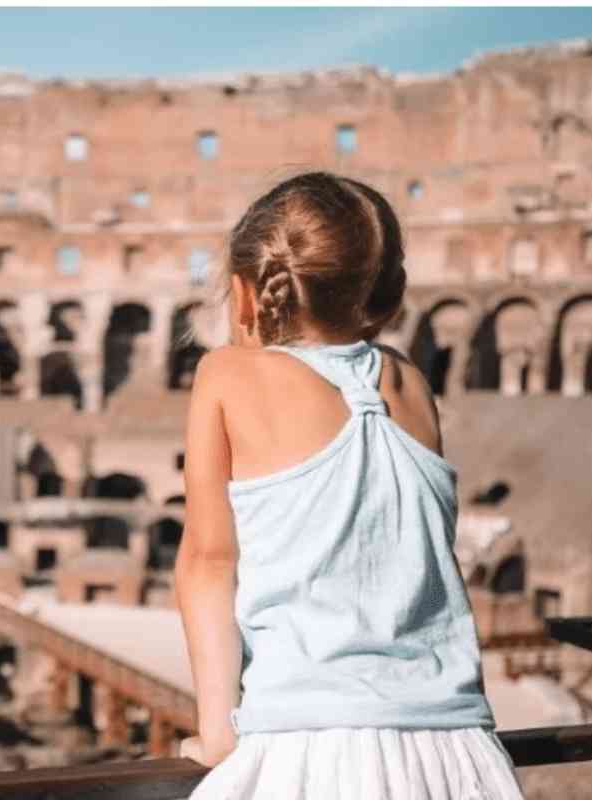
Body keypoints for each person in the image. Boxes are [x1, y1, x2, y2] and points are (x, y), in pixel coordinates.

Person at [173, 171, 525, 798]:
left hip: (312, 742)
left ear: (245, 294)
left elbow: (207, 561)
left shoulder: (226, 374)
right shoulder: (410, 384)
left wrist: (217, 730)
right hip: (456, 748)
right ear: (389, 296)